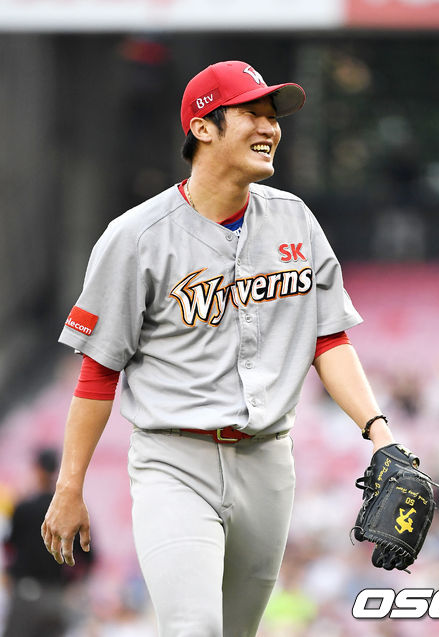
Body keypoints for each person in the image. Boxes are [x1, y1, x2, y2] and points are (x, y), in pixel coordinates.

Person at [42, 60, 394, 636]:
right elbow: (99, 372)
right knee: (194, 628)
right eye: (252, 113)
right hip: (174, 461)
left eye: (273, 116)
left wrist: (380, 434)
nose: (270, 126)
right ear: (203, 127)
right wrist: (69, 487)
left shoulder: (294, 221)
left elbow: (328, 339)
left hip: (267, 463)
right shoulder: (136, 236)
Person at [4, 448, 93, 637]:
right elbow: (89, 555)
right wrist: (71, 584)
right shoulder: (70, 511)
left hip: (26, 593)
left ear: (37, 470)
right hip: (56, 595)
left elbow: (10, 547)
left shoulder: (24, 508)